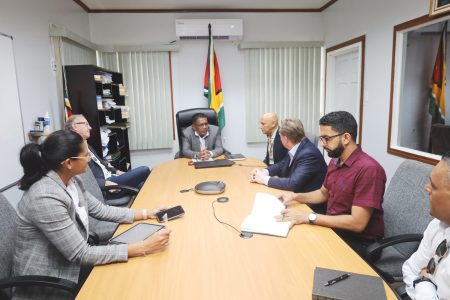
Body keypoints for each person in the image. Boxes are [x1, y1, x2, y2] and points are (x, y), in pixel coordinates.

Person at [12, 130, 171, 299]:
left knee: (134, 275)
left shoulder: (71, 180)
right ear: (68, 163)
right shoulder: (45, 196)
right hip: (50, 282)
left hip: (70, 265)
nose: (90, 159)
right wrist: (143, 247)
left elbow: (101, 210)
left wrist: (146, 213)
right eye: (86, 155)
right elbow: (81, 253)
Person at [278, 111, 386, 256]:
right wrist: (295, 196)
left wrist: (309, 217)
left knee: (300, 251)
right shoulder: (336, 161)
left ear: (346, 138)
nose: (322, 144)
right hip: (334, 229)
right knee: (290, 238)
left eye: (326, 139)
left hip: (358, 242)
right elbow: (323, 193)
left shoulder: (369, 170)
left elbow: (357, 223)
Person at [402, 152, 450, 299]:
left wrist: (423, 282)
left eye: (434, 186)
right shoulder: (438, 225)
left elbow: (418, 276)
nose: (426, 188)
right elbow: (410, 269)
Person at [66, 114, 150, 191]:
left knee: (142, 185)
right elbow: (82, 179)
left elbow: (102, 164)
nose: (90, 128)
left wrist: (116, 171)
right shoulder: (73, 150)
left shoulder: (86, 144)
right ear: (75, 126)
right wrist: (104, 183)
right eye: (86, 124)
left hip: (112, 176)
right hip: (107, 185)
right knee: (144, 170)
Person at [250, 118, 327, 194]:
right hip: (295, 194)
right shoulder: (296, 145)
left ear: (285, 139)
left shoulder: (309, 154)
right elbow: (282, 164)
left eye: (280, 136)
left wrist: (264, 179)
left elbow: (294, 183)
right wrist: (264, 172)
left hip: (308, 203)